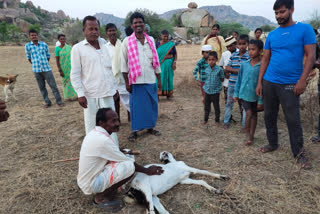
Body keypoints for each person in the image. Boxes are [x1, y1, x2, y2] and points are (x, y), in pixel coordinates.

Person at [256, 0, 316, 169]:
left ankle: (299, 154)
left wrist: (302, 80)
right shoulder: (272, 35)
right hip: (269, 81)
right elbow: (265, 59)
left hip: (290, 83)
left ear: (291, 10)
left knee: (293, 120)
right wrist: (260, 82)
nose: (278, 16)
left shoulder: (305, 29)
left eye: (282, 12)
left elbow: (310, 56)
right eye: (276, 13)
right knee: (269, 115)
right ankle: (272, 143)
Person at [77, 108, 163, 212]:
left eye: (117, 119)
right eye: (113, 121)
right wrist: (147, 170)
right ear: (101, 123)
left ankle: (110, 188)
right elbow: (130, 163)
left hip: (88, 179)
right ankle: (100, 198)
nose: (118, 123)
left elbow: (112, 152)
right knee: (130, 166)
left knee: (127, 153)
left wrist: (119, 151)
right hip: (91, 183)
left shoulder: (95, 133)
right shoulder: (102, 140)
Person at [71, 16, 118, 136]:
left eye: (96, 29)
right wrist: (80, 94)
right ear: (84, 30)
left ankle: (111, 149)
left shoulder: (104, 45)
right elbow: (75, 73)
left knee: (110, 124)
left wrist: (114, 88)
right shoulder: (78, 49)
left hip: (107, 93)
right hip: (90, 95)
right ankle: (94, 151)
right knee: (92, 125)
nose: (94, 32)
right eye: (90, 29)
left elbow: (109, 69)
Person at [121, 12, 162, 142]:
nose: (138, 25)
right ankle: (135, 130)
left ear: (144, 24)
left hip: (150, 78)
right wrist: (127, 83)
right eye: (135, 23)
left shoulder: (150, 40)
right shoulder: (127, 42)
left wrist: (159, 80)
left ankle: (150, 127)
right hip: (135, 81)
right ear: (132, 26)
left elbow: (155, 61)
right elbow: (123, 64)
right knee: (136, 107)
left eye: (140, 22)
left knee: (151, 104)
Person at [234, 40, 264, 145]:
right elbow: (239, 80)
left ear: (260, 51)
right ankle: (247, 135)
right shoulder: (244, 64)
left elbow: (263, 85)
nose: (250, 52)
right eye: (249, 49)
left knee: (254, 116)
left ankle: (252, 135)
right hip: (244, 95)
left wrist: (260, 100)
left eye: (253, 49)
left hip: (255, 96)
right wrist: (236, 94)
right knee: (249, 113)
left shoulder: (262, 66)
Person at [25, 29, 64, 108]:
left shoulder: (44, 44)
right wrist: (35, 64)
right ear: (29, 37)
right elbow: (29, 58)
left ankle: (59, 101)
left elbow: (48, 56)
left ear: (37, 35)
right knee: (42, 87)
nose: (34, 36)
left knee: (53, 86)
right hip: (36, 70)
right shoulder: (27, 46)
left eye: (35, 35)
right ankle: (47, 102)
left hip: (46, 69)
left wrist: (44, 63)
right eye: (32, 35)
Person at [105, 23, 130, 123]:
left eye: (113, 30)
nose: (112, 33)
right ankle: (117, 120)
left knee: (129, 100)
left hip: (124, 77)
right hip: (112, 78)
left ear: (117, 31)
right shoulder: (105, 47)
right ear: (106, 33)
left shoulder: (123, 44)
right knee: (115, 101)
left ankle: (130, 118)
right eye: (110, 31)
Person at [223, 34, 250, 129]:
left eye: (244, 44)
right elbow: (226, 68)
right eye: (239, 44)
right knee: (229, 103)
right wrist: (238, 71)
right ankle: (226, 122)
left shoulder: (249, 56)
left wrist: (233, 70)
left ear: (247, 44)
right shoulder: (234, 55)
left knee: (244, 106)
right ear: (237, 44)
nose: (241, 46)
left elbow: (247, 71)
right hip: (232, 84)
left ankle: (244, 125)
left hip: (244, 86)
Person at [201, 51, 224, 125]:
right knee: (206, 107)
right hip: (207, 91)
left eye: (213, 59)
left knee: (216, 106)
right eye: (209, 60)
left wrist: (217, 86)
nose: (211, 61)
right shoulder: (206, 69)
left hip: (215, 92)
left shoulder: (219, 70)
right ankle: (205, 120)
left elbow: (222, 78)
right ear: (207, 60)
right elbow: (205, 79)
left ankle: (217, 120)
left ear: (216, 60)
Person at [55, 34, 77, 101]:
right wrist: (60, 70)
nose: (63, 40)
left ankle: (76, 95)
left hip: (71, 67)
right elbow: (57, 60)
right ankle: (68, 96)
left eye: (64, 39)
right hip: (63, 68)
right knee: (66, 82)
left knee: (73, 81)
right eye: (61, 39)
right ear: (59, 40)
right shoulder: (57, 49)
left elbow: (73, 57)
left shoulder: (69, 47)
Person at [156, 30, 177, 98]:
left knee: (169, 78)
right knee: (160, 78)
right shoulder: (157, 44)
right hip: (160, 64)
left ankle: (169, 94)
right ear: (161, 36)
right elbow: (155, 55)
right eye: (164, 36)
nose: (166, 38)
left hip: (169, 64)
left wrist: (174, 62)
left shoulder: (171, 44)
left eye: (167, 36)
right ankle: (158, 93)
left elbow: (175, 54)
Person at [218, 36, 237, 104]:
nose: (229, 48)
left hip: (238, 81)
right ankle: (229, 115)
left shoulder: (240, 53)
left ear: (235, 44)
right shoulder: (225, 54)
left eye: (230, 46)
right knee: (228, 101)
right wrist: (224, 73)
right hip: (227, 81)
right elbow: (220, 66)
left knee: (241, 102)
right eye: (227, 47)